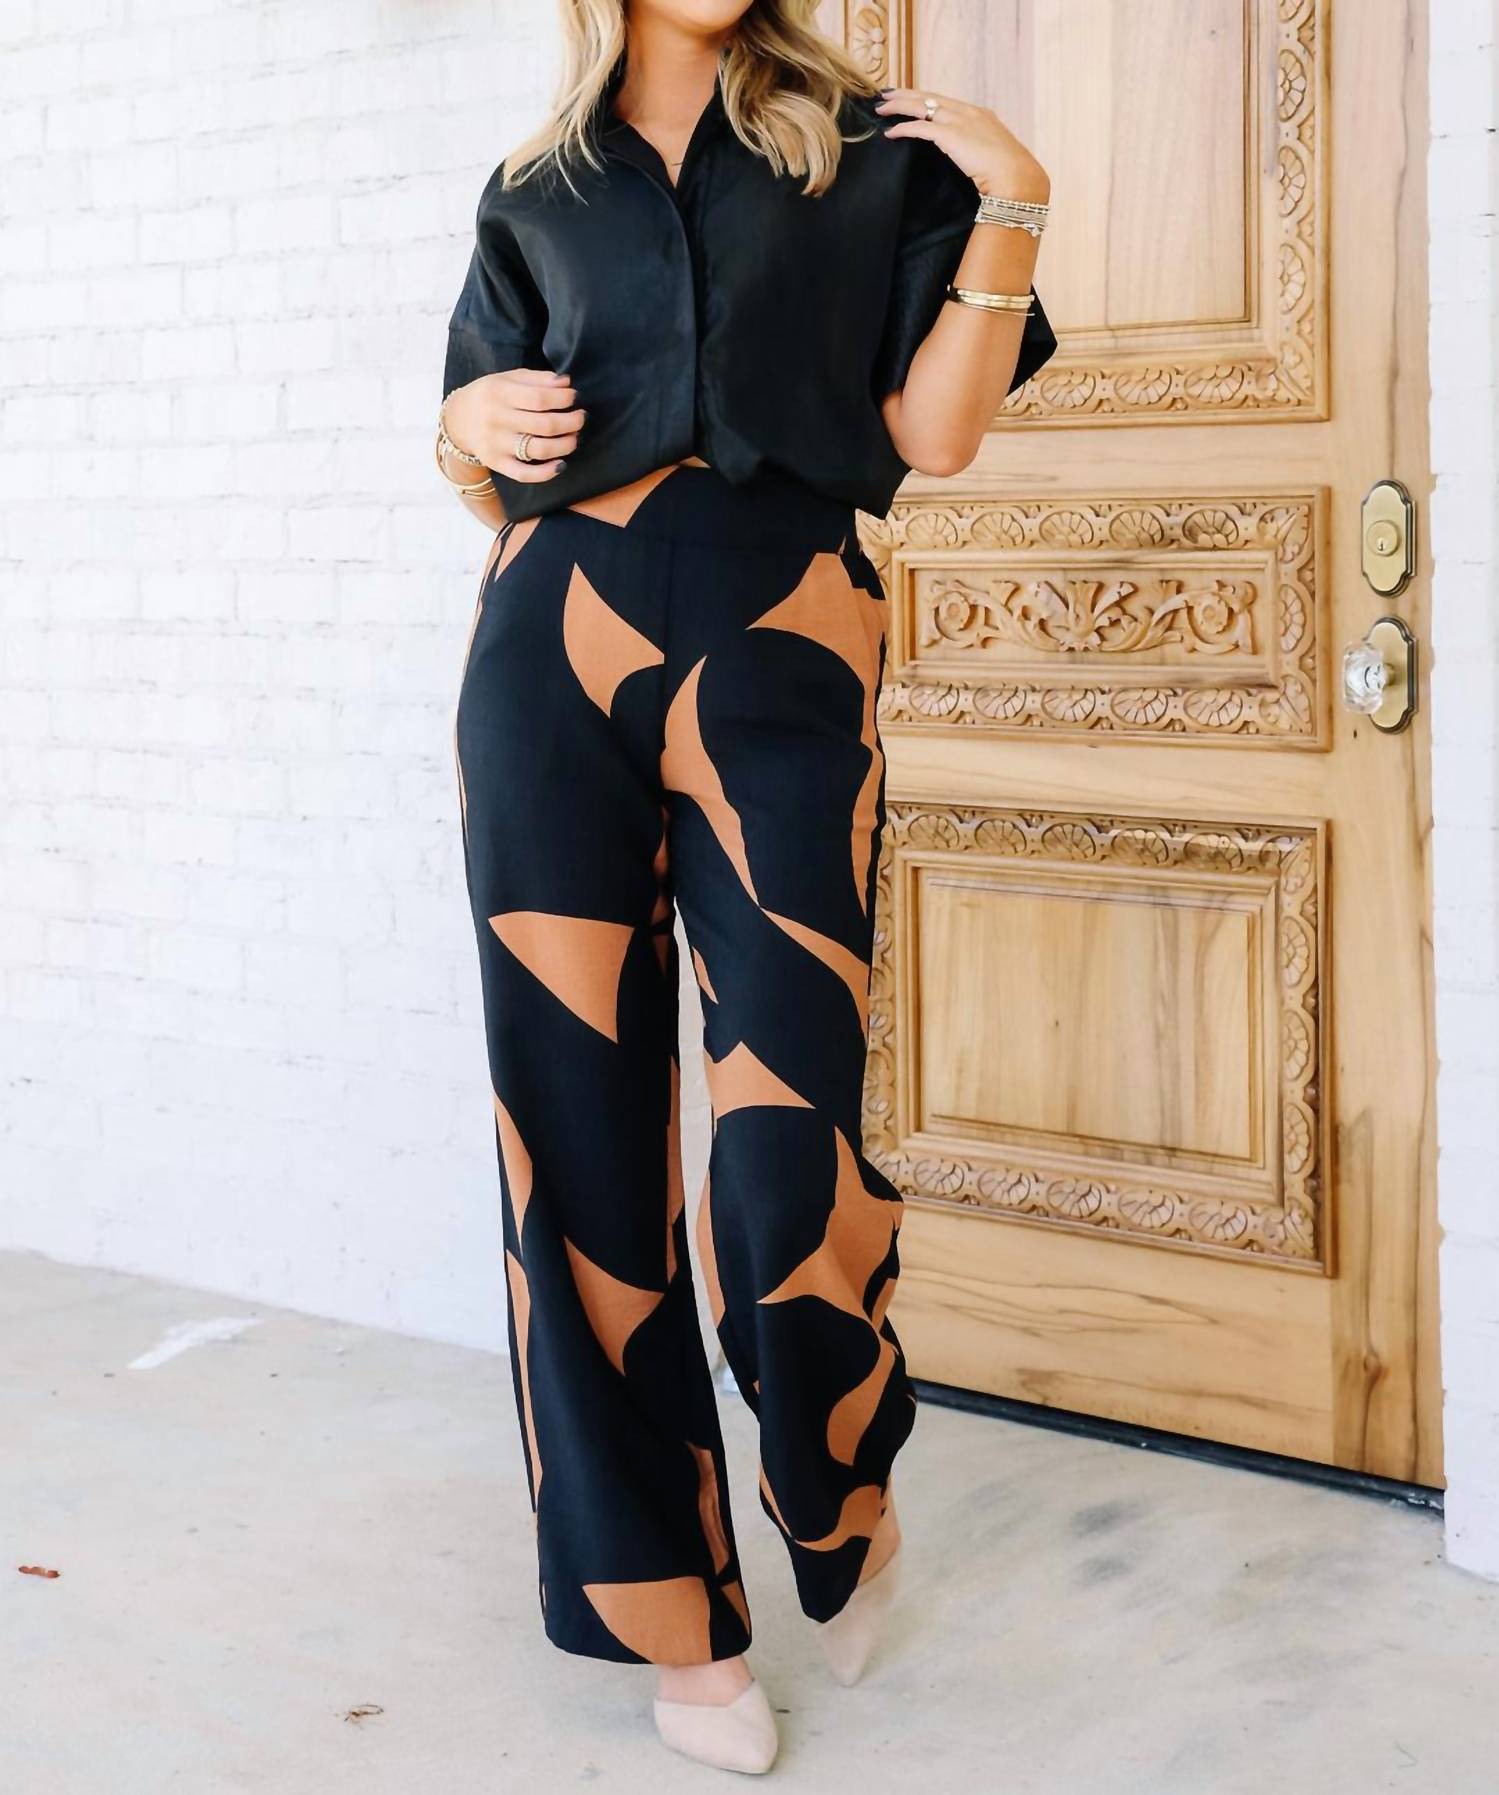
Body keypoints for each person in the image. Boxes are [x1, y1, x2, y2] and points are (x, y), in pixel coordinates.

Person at [436, 0, 1054, 1773]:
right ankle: (673, 1622)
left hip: (787, 641)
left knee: (788, 1126)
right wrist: (465, 415)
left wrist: (1015, 203)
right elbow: (481, 467)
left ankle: (837, 1498)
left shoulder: (863, 150)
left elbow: (933, 435)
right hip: (547, 656)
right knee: (572, 1139)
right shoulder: (535, 185)